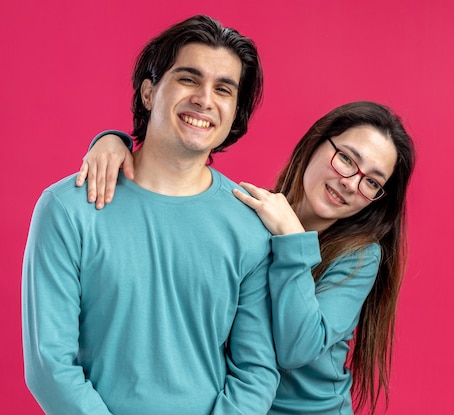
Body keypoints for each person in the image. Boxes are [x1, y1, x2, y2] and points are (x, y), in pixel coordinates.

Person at [76, 100, 416, 414]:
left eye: (371, 181)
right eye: (346, 159)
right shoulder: (250, 215)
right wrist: (113, 142)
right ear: (317, 142)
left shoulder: (360, 256)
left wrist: (293, 239)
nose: (350, 183)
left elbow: (297, 348)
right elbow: (174, 201)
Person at [22, 15, 280, 415]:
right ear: (148, 92)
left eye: (223, 89)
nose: (204, 99)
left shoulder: (250, 223)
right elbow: (48, 365)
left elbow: (256, 372)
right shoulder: (68, 208)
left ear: (234, 115)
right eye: (189, 79)